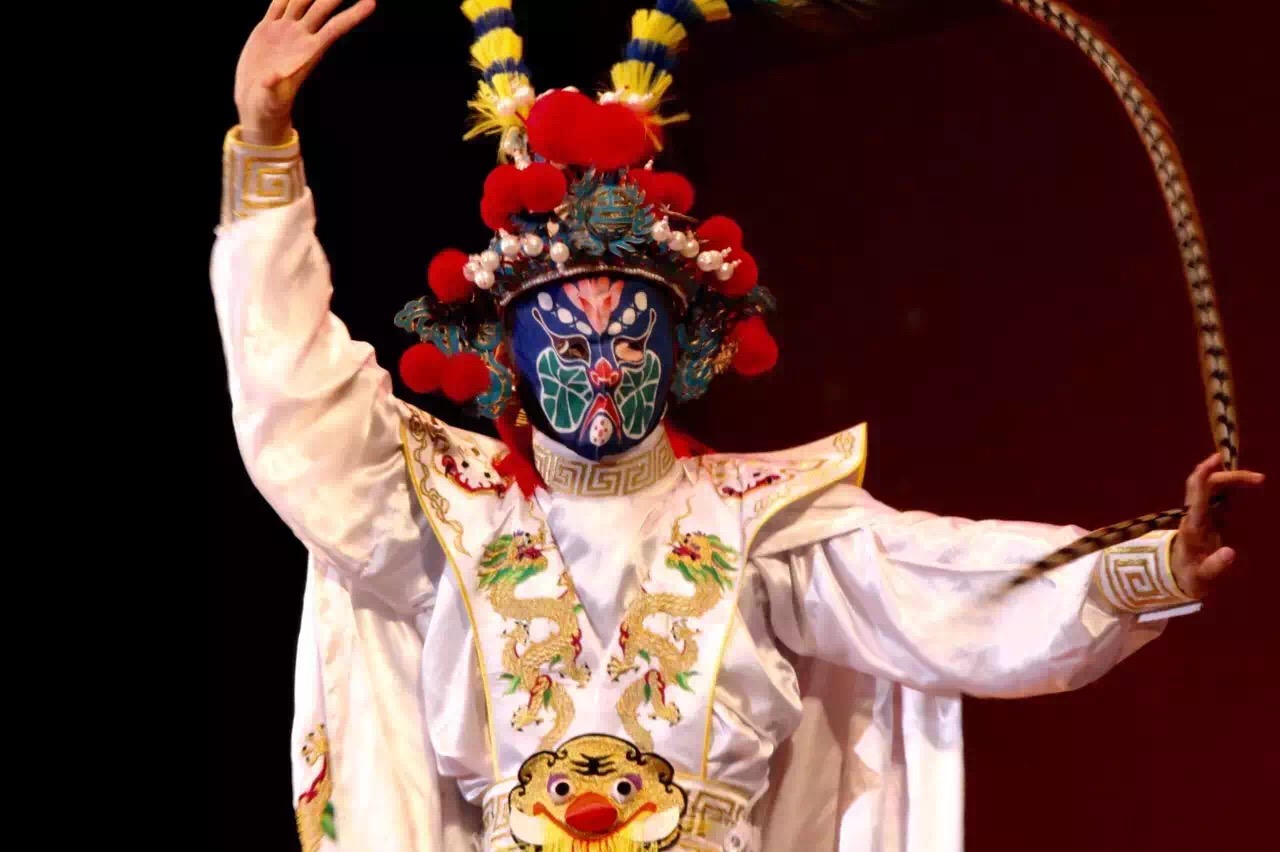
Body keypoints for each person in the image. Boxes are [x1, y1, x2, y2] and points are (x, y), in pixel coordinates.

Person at [212, 2, 1263, 850]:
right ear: (508, 358)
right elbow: (294, 400)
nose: (601, 368)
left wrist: (1151, 564)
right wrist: (264, 147)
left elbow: (950, 588)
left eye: (629, 337)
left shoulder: (761, 521)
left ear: (685, 352)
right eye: (567, 343)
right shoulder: (450, 510)